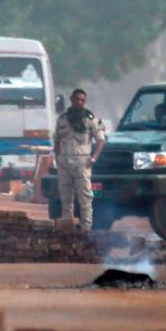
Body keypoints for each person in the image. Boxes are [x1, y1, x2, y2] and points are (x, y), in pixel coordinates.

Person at [53, 88, 106, 231]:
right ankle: (67, 228)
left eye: (82, 100)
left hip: (82, 163)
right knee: (65, 198)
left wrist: (94, 158)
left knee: (85, 198)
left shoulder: (90, 120)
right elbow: (57, 139)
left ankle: (85, 230)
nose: (79, 102)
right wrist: (57, 157)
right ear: (71, 100)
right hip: (64, 162)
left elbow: (101, 141)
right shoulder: (62, 119)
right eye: (77, 99)